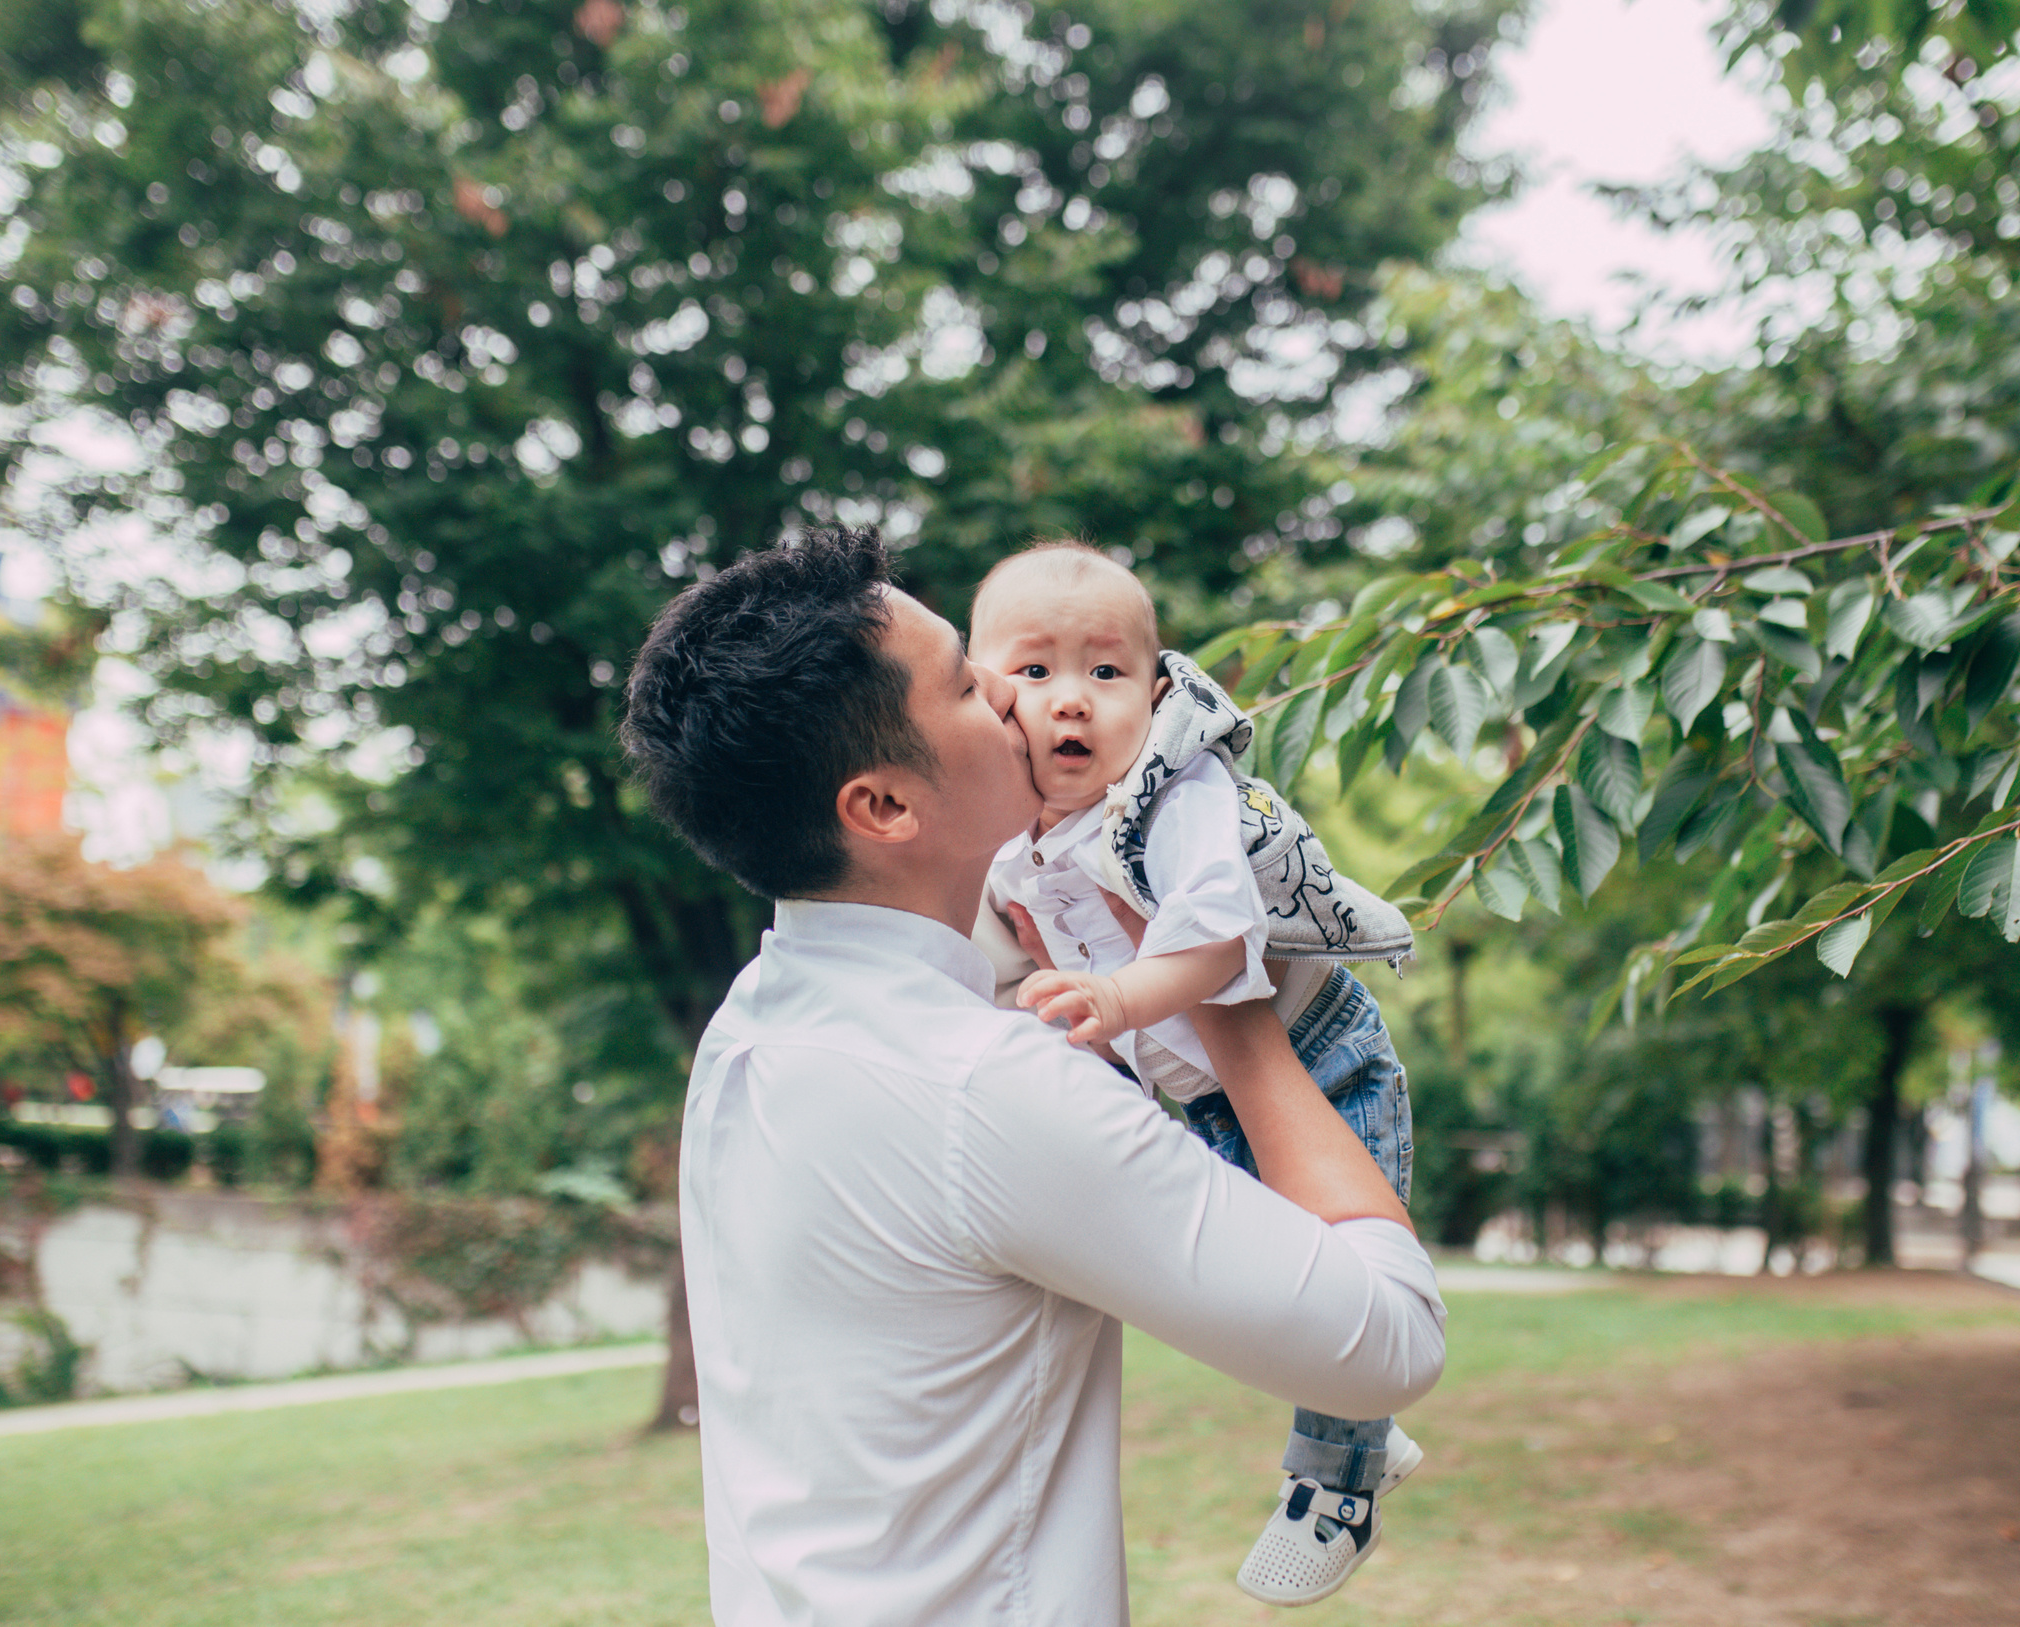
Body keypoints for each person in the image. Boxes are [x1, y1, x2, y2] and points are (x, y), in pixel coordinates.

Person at [618, 525, 1445, 1625]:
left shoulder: (752, 1034)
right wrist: (1229, 999)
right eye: (970, 684)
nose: (1018, 701)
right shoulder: (989, 1090)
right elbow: (1388, 1344)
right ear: (883, 807)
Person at [970, 542, 1422, 1606]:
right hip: (1196, 1090)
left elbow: (1219, 946)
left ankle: (1338, 1485)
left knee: (1342, 1274)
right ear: (980, 693)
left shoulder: (1175, 792)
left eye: (1107, 672)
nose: (1071, 702)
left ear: (1160, 691)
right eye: (1033, 673)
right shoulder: (1001, 836)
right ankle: (1364, 1426)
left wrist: (1120, 999)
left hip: (1324, 1058)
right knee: (1265, 1294)